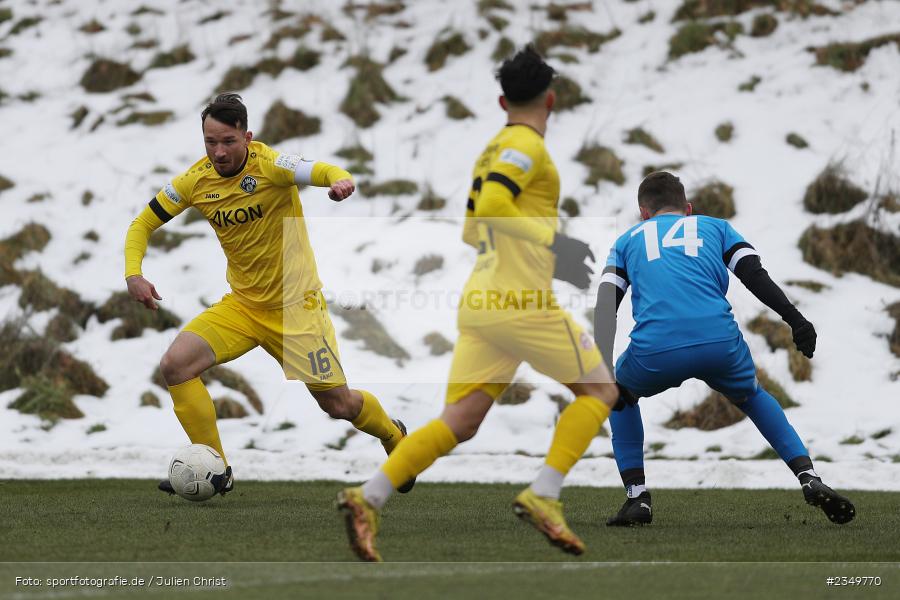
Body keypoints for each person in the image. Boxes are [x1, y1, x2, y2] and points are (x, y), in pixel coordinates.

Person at [336, 46, 622, 562]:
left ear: (500, 99)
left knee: (460, 421)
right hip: (521, 302)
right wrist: (555, 243)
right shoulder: (523, 145)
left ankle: (368, 498)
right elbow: (492, 207)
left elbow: (474, 229)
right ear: (551, 100)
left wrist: (536, 247)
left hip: (482, 300)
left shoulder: (493, 148)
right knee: (600, 389)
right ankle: (544, 496)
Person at [124, 93, 413, 495]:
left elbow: (321, 168)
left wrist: (339, 180)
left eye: (228, 141)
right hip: (242, 307)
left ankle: (394, 436)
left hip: (297, 310)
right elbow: (142, 224)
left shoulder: (272, 166)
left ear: (248, 136)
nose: (219, 152)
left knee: (339, 406)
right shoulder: (194, 181)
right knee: (176, 365)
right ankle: (216, 469)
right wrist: (133, 273)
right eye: (210, 142)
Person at [594, 170, 855, 527]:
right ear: (687, 208)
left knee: (619, 397)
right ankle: (808, 477)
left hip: (657, 348)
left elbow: (607, 303)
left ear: (643, 213)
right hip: (719, 342)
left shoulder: (627, 241)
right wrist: (795, 319)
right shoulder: (715, 227)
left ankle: (637, 498)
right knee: (752, 396)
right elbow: (753, 274)